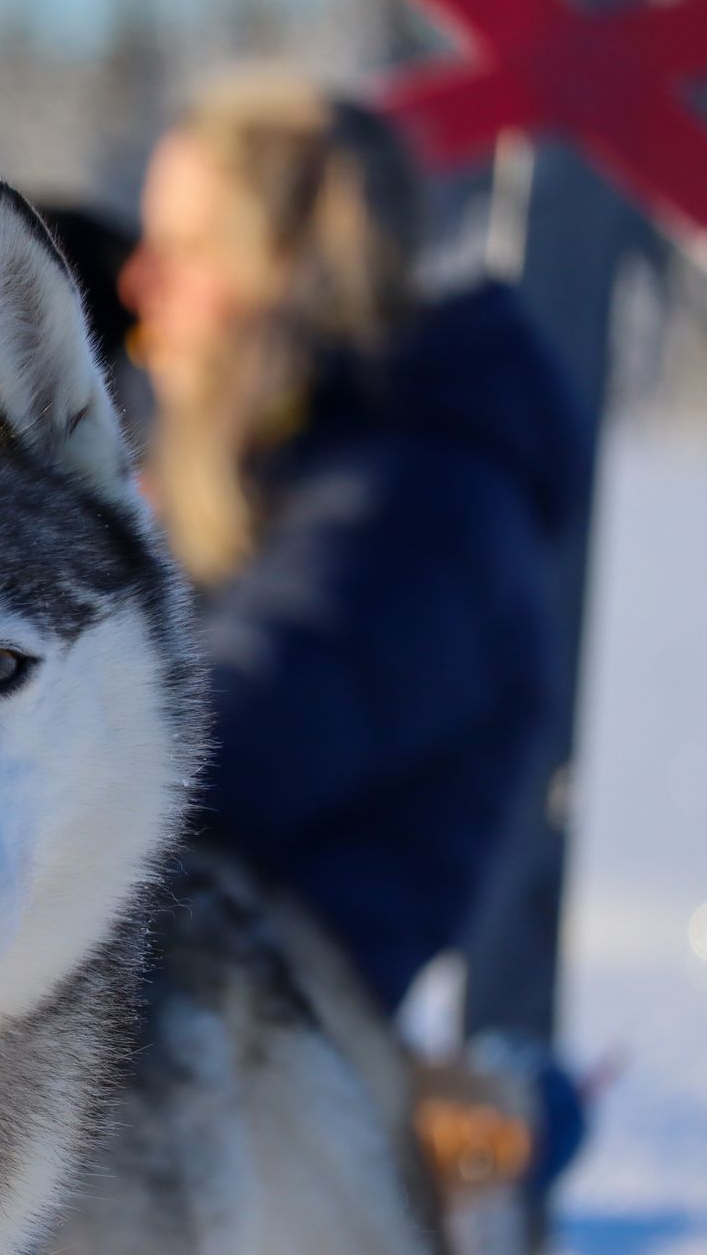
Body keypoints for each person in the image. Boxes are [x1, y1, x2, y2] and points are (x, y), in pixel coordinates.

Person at [117, 72, 594, 1018]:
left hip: (251, 1058)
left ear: (293, 274)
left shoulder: (415, 514)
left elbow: (201, 760)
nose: (140, 284)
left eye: (187, 250)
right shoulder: (295, 479)